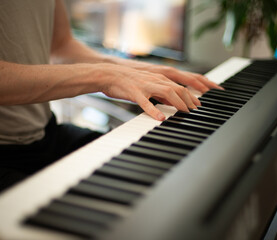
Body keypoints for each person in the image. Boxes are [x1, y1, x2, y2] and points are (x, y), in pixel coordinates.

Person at [0, 0, 222, 192]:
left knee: (168, 171)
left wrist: (135, 69)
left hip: (45, 135)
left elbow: (60, 48)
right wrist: (104, 76)